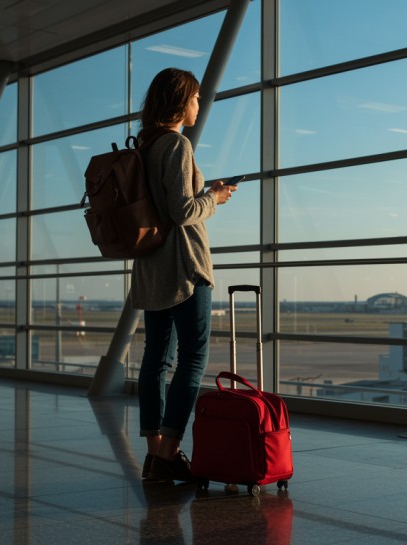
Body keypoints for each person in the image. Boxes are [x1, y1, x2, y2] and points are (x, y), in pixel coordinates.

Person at [131, 68, 236, 482]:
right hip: (183, 267)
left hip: (151, 268)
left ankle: (155, 453)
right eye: (194, 98)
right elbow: (183, 212)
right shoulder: (175, 144)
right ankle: (171, 452)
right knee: (193, 357)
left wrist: (202, 192)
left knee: (156, 359)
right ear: (179, 101)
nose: (199, 105)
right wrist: (215, 197)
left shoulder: (144, 145)